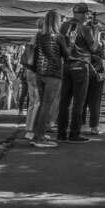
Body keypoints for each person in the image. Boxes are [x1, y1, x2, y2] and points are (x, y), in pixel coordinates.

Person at [56, 3, 100, 143]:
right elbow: (93, 48)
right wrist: (97, 32)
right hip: (81, 65)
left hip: (66, 65)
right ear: (82, 14)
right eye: (86, 13)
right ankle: (74, 134)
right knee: (78, 102)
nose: (87, 16)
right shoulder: (85, 29)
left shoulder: (63, 27)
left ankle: (61, 133)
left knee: (64, 101)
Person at [29, 10, 70, 147]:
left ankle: (36, 134)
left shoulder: (39, 35)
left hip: (40, 73)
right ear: (57, 22)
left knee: (42, 104)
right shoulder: (59, 37)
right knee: (47, 106)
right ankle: (39, 138)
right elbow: (67, 55)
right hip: (53, 74)